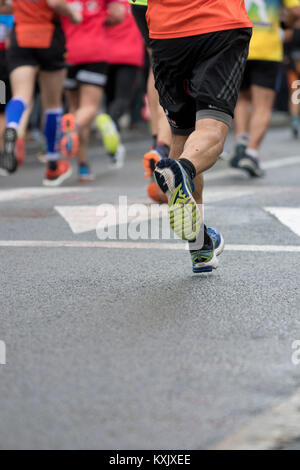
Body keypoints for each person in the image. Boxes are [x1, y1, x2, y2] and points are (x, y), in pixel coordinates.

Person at [138, 0, 252, 273]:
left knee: (182, 134)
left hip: (166, 34)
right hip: (220, 24)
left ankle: (200, 246)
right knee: (212, 128)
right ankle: (183, 170)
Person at [0, 0, 82, 185]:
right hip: (48, 36)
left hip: (20, 37)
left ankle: (12, 126)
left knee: (20, 95)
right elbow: (55, 3)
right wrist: (73, 15)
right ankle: (52, 164)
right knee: (52, 105)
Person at [231, 0, 300, 177]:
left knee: (241, 98)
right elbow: (296, 9)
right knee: (262, 106)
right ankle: (251, 154)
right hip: (267, 49)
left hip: (238, 45)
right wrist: (285, 24)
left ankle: (241, 139)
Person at [61, 0, 124, 182]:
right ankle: (73, 130)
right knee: (89, 109)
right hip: (94, 51)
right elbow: (118, 15)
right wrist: (101, 19)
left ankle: (82, 165)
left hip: (68, 51)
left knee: (75, 109)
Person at [130, 0, 171, 204]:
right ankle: (162, 147)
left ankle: (157, 139)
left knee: (156, 63)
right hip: (169, 4)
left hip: (138, 3)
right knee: (172, 67)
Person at [102, 0, 144, 169]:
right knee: (122, 99)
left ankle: (114, 147)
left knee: (110, 99)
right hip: (129, 55)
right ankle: (110, 123)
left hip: (105, 54)